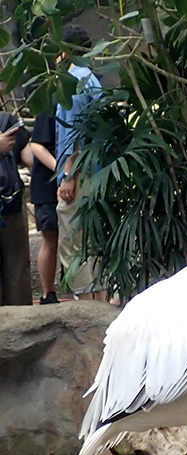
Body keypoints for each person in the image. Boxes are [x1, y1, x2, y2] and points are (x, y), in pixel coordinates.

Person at [55, 23, 105, 301]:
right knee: (92, 242)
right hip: (97, 174)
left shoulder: (74, 81)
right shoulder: (93, 79)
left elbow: (74, 131)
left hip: (81, 174)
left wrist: (67, 175)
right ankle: (99, 309)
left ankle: (85, 313)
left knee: (73, 245)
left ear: (65, 51)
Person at [0, 112, 33, 306]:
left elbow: (28, 157)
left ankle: (21, 328)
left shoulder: (7, 121)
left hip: (11, 206)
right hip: (11, 203)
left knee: (18, 270)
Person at [29, 108, 60, 304]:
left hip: (73, 178)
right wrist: (62, 169)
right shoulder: (51, 104)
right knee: (50, 236)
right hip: (47, 182)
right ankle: (47, 293)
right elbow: (36, 145)